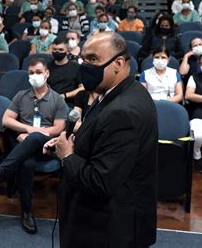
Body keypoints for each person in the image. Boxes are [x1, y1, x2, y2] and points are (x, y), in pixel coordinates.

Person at [43, 31, 158, 247]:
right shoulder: (117, 92)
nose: (85, 66)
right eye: (84, 59)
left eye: (93, 59)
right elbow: (103, 139)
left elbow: (101, 181)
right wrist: (68, 145)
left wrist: (67, 156)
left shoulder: (123, 111)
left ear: (119, 62)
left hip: (106, 229)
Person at [0, 58, 68, 233]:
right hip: (24, 147)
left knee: (35, 138)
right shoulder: (21, 96)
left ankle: (2, 171)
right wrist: (28, 129)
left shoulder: (57, 99)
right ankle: (27, 212)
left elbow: (59, 128)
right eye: (31, 73)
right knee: (26, 164)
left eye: (38, 72)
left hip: (47, 146)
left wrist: (32, 134)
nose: (34, 76)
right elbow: (6, 119)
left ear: (47, 73)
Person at [47, 37, 84, 105]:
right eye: (54, 49)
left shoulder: (76, 67)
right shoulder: (47, 67)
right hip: (50, 102)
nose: (57, 52)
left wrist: (65, 95)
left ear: (67, 51)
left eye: (61, 50)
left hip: (68, 103)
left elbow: (82, 88)